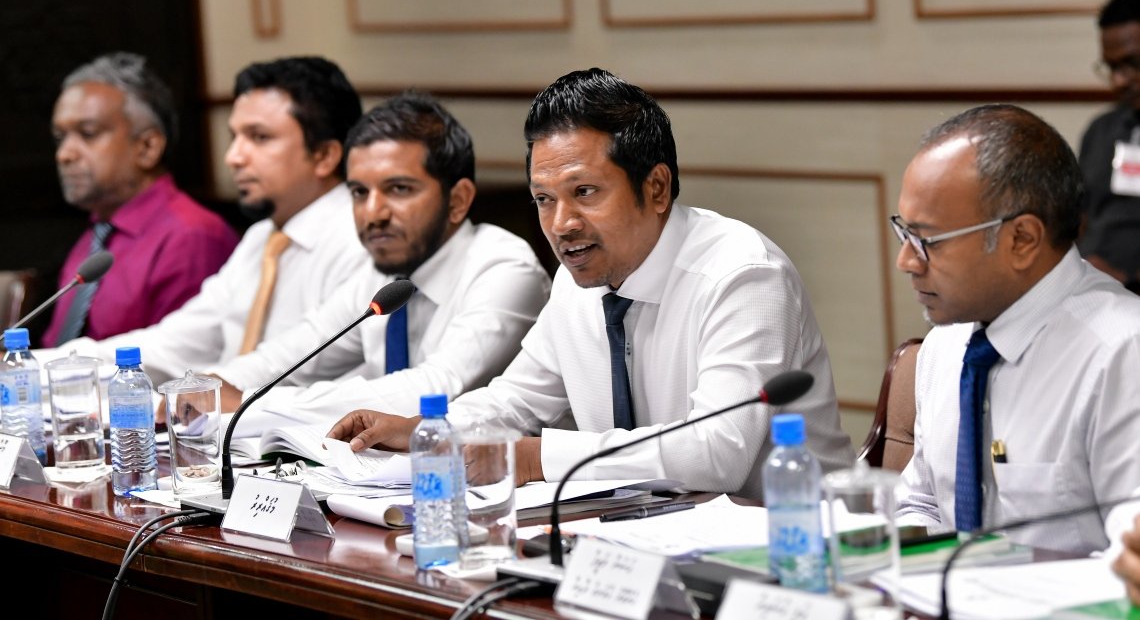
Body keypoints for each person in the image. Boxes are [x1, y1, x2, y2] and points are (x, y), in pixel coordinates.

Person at [326, 67, 853, 500]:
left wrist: (534, 458)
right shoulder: (577, 280)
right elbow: (516, 402)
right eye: (544, 199)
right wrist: (424, 430)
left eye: (584, 192)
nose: (561, 224)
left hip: (792, 546)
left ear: (657, 187)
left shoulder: (742, 274)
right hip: (641, 540)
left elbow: (716, 453)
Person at [209, 91, 552, 419]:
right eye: (360, 192)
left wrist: (252, 403)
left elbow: (435, 387)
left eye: (399, 189)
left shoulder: (503, 268)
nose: (373, 213)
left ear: (458, 200)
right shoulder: (383, 276)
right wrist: (206, 390)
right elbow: (288, 356)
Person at [892, 104, 1140, 554]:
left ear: (1022, 239)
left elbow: (1129, 559)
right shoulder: (948, 343)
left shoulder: (1124, 354)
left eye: (928, 241)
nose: (906, 261)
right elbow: (922, 503)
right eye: (904, 234)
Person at [48, 55, 369, 385]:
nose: (233, 157)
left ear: (324, 155)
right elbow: (176, 343)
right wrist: (51, 365)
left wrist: (212, 389)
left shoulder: (361, 239)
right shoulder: (262, 238)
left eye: (259, 137)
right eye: (234, 137)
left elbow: (305, 366)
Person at [43, 52, 239, 345]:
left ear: (147, 147)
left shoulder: (191, 237)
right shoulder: (97, 235)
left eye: (88, 133)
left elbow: (180, 363)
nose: (64, 154)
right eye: (61, 138)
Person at [1077, 0, 1140, 292]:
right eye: (1111, 67)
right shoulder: (1102, 129)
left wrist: (1126, 282)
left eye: (1132, 64)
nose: (1118, 81)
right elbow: (1077, 219)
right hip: (1085, 291)